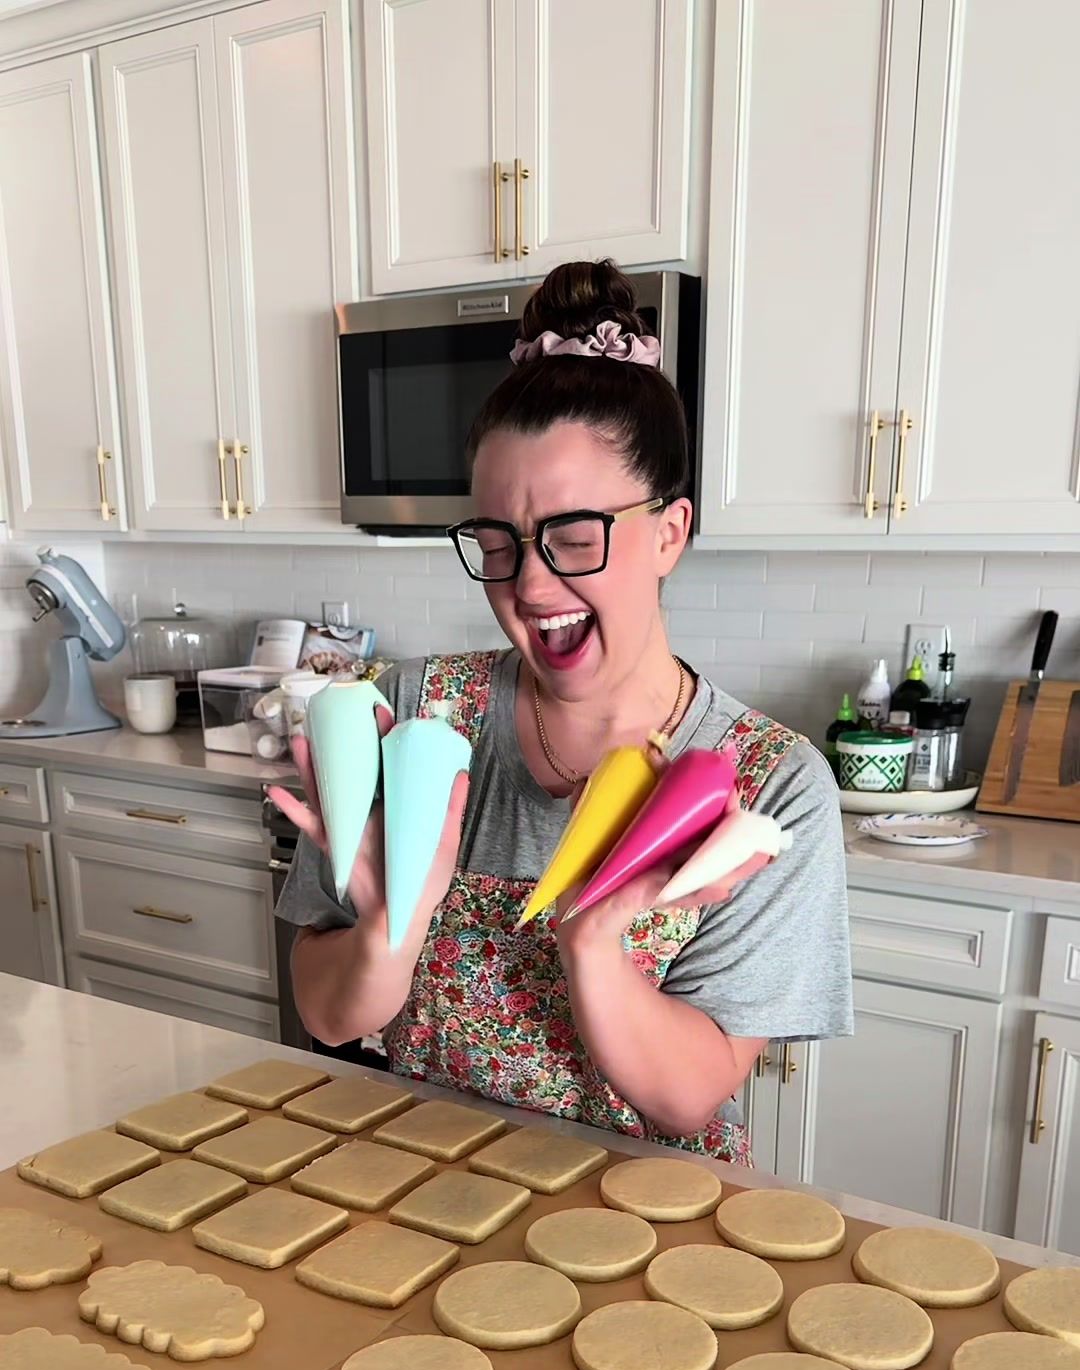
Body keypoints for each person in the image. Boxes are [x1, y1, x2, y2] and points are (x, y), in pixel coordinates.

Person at [272, 260, 852, 1166]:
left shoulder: (769, 787)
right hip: (426, 1181)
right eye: (496, 544)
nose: (532, 586)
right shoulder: (416, 720)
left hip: (647, 1212)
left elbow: (687, 1096)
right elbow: (325, 1011)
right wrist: (391, 930)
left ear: (670, 533)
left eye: (575, 539)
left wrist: (596, 938)